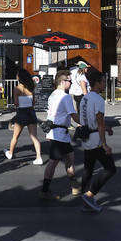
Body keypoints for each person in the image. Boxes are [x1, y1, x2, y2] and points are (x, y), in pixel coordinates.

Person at [78, 70, 116, 212]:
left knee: (88, 169)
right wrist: (104, 144)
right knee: (110, 169)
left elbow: (88, 120)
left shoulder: (85, 98)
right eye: (103, 82)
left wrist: (107, 128)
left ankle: (85, 200)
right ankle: (89, 195)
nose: (105, 84)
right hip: (95, 140)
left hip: (86, 137)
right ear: (97, 83)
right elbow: (99, 123)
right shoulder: (98, 100)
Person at [41, 71, 80, 199]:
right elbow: (73, 115)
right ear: (63, 82)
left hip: (55, 132)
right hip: (59, 134)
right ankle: (45, 191)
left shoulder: (53, 94)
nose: (71, 83)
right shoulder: (65, 97)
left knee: (69, 157)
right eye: (70, 81)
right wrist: (86, 123)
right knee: (54, 162)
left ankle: (75, 186)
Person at [5, 68, 43, 164]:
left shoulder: (17, 88)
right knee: (34, 136)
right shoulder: (31, 87)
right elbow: (33, 102)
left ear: (19, 77)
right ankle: (39, 157)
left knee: (15, 136)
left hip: (21, 113)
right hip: (31, 112)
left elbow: (16, 103)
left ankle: (10, 153)